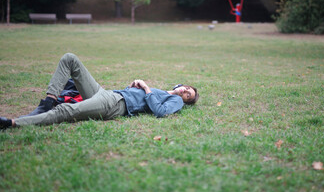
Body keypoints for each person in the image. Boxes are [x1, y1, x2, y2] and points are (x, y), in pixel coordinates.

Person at [0, 53, 199, 130]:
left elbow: (160, 112)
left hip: (114, 105)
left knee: (67, 112)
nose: (184, 92)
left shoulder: (176, 102)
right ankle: (47, 102)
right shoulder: (163, 90)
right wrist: (135, 87)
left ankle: (12, 123)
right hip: (107, 93)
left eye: (188, 95)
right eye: (186, 88)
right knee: (70, 59)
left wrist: (146, 88)